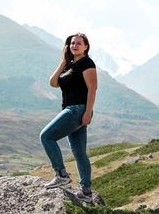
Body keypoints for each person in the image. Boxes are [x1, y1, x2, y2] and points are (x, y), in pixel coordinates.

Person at [40, 32, 97, 202]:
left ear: (86, 47)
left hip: (77, 110)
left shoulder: (87, 63)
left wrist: (88, 112)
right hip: (73, 110)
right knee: (79, 152)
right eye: (72, 43)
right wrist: (63, 62)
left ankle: (61, 174)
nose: (75, 46)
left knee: (46, 136)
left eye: (79, 43)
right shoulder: (69, 65)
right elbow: (53, 83)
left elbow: (93, 88)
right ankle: (86, 192)